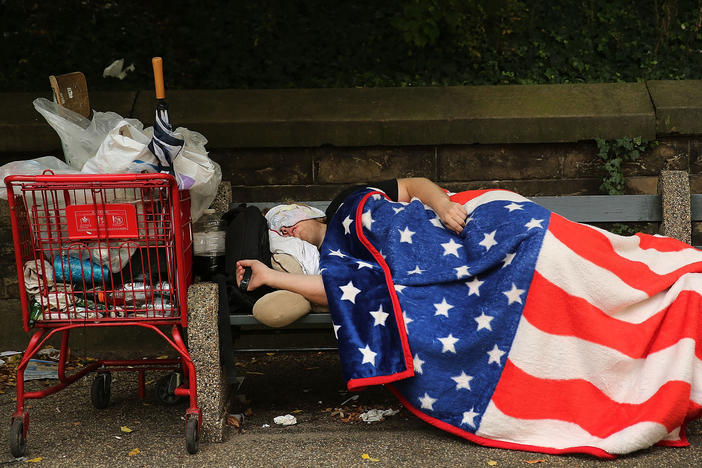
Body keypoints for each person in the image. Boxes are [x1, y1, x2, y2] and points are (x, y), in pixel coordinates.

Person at [235, 177, 468, 305]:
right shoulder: (329, 259)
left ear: (310, 211)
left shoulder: (345, 201)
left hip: (448, 229)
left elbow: (412, 184)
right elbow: (335, 289)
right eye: (278, 231)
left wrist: (443, 205)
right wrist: (268, 275)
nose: (284, 228)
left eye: (284, 216)